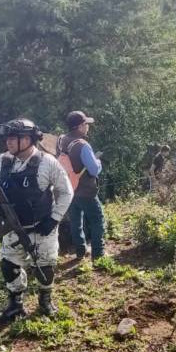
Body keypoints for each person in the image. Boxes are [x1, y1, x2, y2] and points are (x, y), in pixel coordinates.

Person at [0, 118, 72, 323]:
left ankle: (45, 301)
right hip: (13, 228)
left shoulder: (47, 162)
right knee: (8, 266)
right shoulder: (3, 161)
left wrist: (54, 219)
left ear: (27, 140)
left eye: (13, 138)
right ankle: (15, 306)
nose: (8, 142)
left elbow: (66, 192)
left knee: (46, 268)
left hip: (42, 228)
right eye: (7, 138)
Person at [57, 110, 105, 260]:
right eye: (86, 124)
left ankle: (80, 252)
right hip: (86, 191)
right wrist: (99, 162)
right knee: (97, 219)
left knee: (76, 222)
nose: (88, 127)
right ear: (79, 126)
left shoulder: (61, 140)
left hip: (69, 190)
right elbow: (94, 169)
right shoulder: (83, 145)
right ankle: (98, 254)